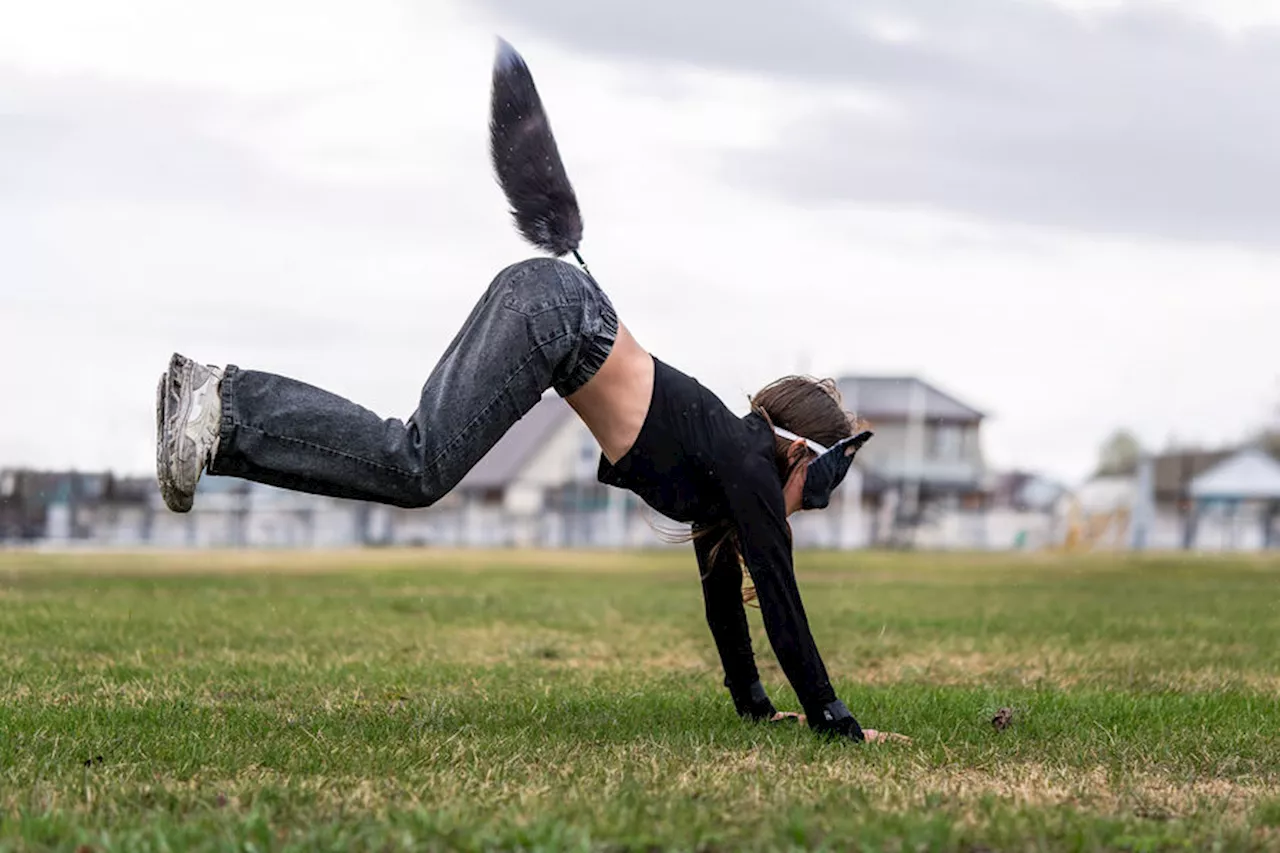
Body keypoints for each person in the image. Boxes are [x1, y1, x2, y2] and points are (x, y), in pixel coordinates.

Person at [154, 38, 908, 744]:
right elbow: (780, 598)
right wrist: (836, 721)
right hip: (555, 317)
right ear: (796, 451)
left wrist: (754, 706)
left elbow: (726, 600)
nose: (810, 508)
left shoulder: (727, 480)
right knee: (416, 465)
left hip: (551, 311)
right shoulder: (746, 459)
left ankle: (215, 426)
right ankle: (225, 400)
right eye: (818, 490)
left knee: (413, 463)